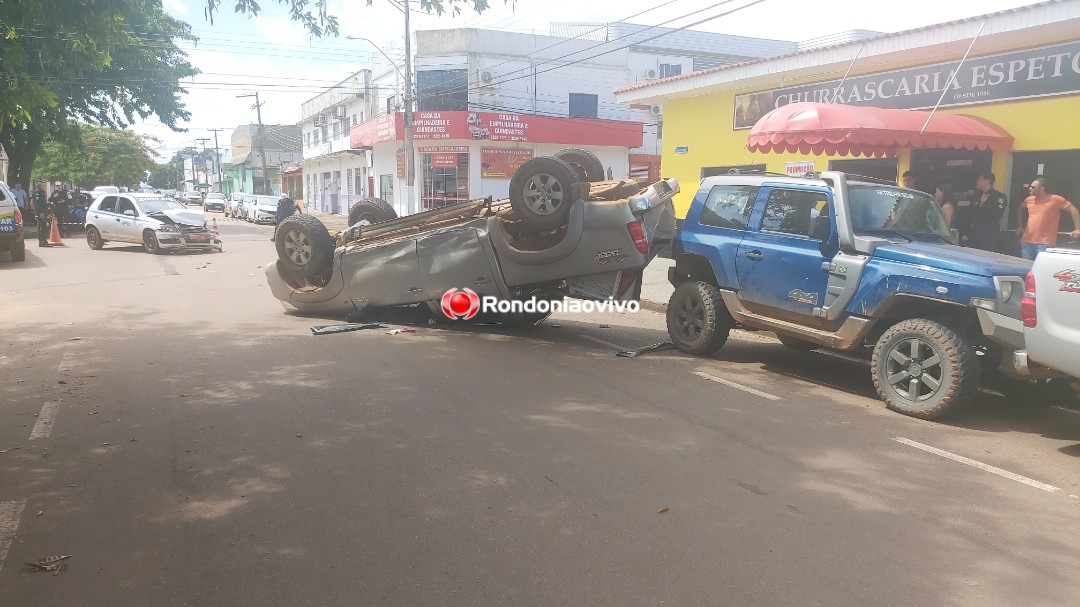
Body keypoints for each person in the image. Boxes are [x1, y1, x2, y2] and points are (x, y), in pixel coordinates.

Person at [1016, 176, 1080, 261]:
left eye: (1033, 187)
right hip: (1026, 242)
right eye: (1030, 186)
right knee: (1026, 268)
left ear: (1042, 189)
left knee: (1041, 267)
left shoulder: (1055, 199)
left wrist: (1077, 229)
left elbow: (1073, 210)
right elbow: (1020, 209)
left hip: (1045, 243)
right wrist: (1020, 226)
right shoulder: (1029, 200)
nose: (1030, 189)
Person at [960, 172, 1008, 251]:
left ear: (987, 180)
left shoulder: (998, 197)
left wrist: (983, 204)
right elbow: (970, 215)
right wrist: (965, 232)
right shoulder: (976, 196)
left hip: (988, 237)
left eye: (979, 179)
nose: (977, 182)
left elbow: (996, 215)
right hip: (974, 236)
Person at [30, 182, 52, 247]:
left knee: (44, 227)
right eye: (43, 186)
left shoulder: (41, 192)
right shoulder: (37, 193)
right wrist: (40, 212)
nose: (45, 187)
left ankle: (44, 242)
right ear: (40, 186)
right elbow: (37, 203)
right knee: (41, 228)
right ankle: (42, 242)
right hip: (40, 213)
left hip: (43, 212)